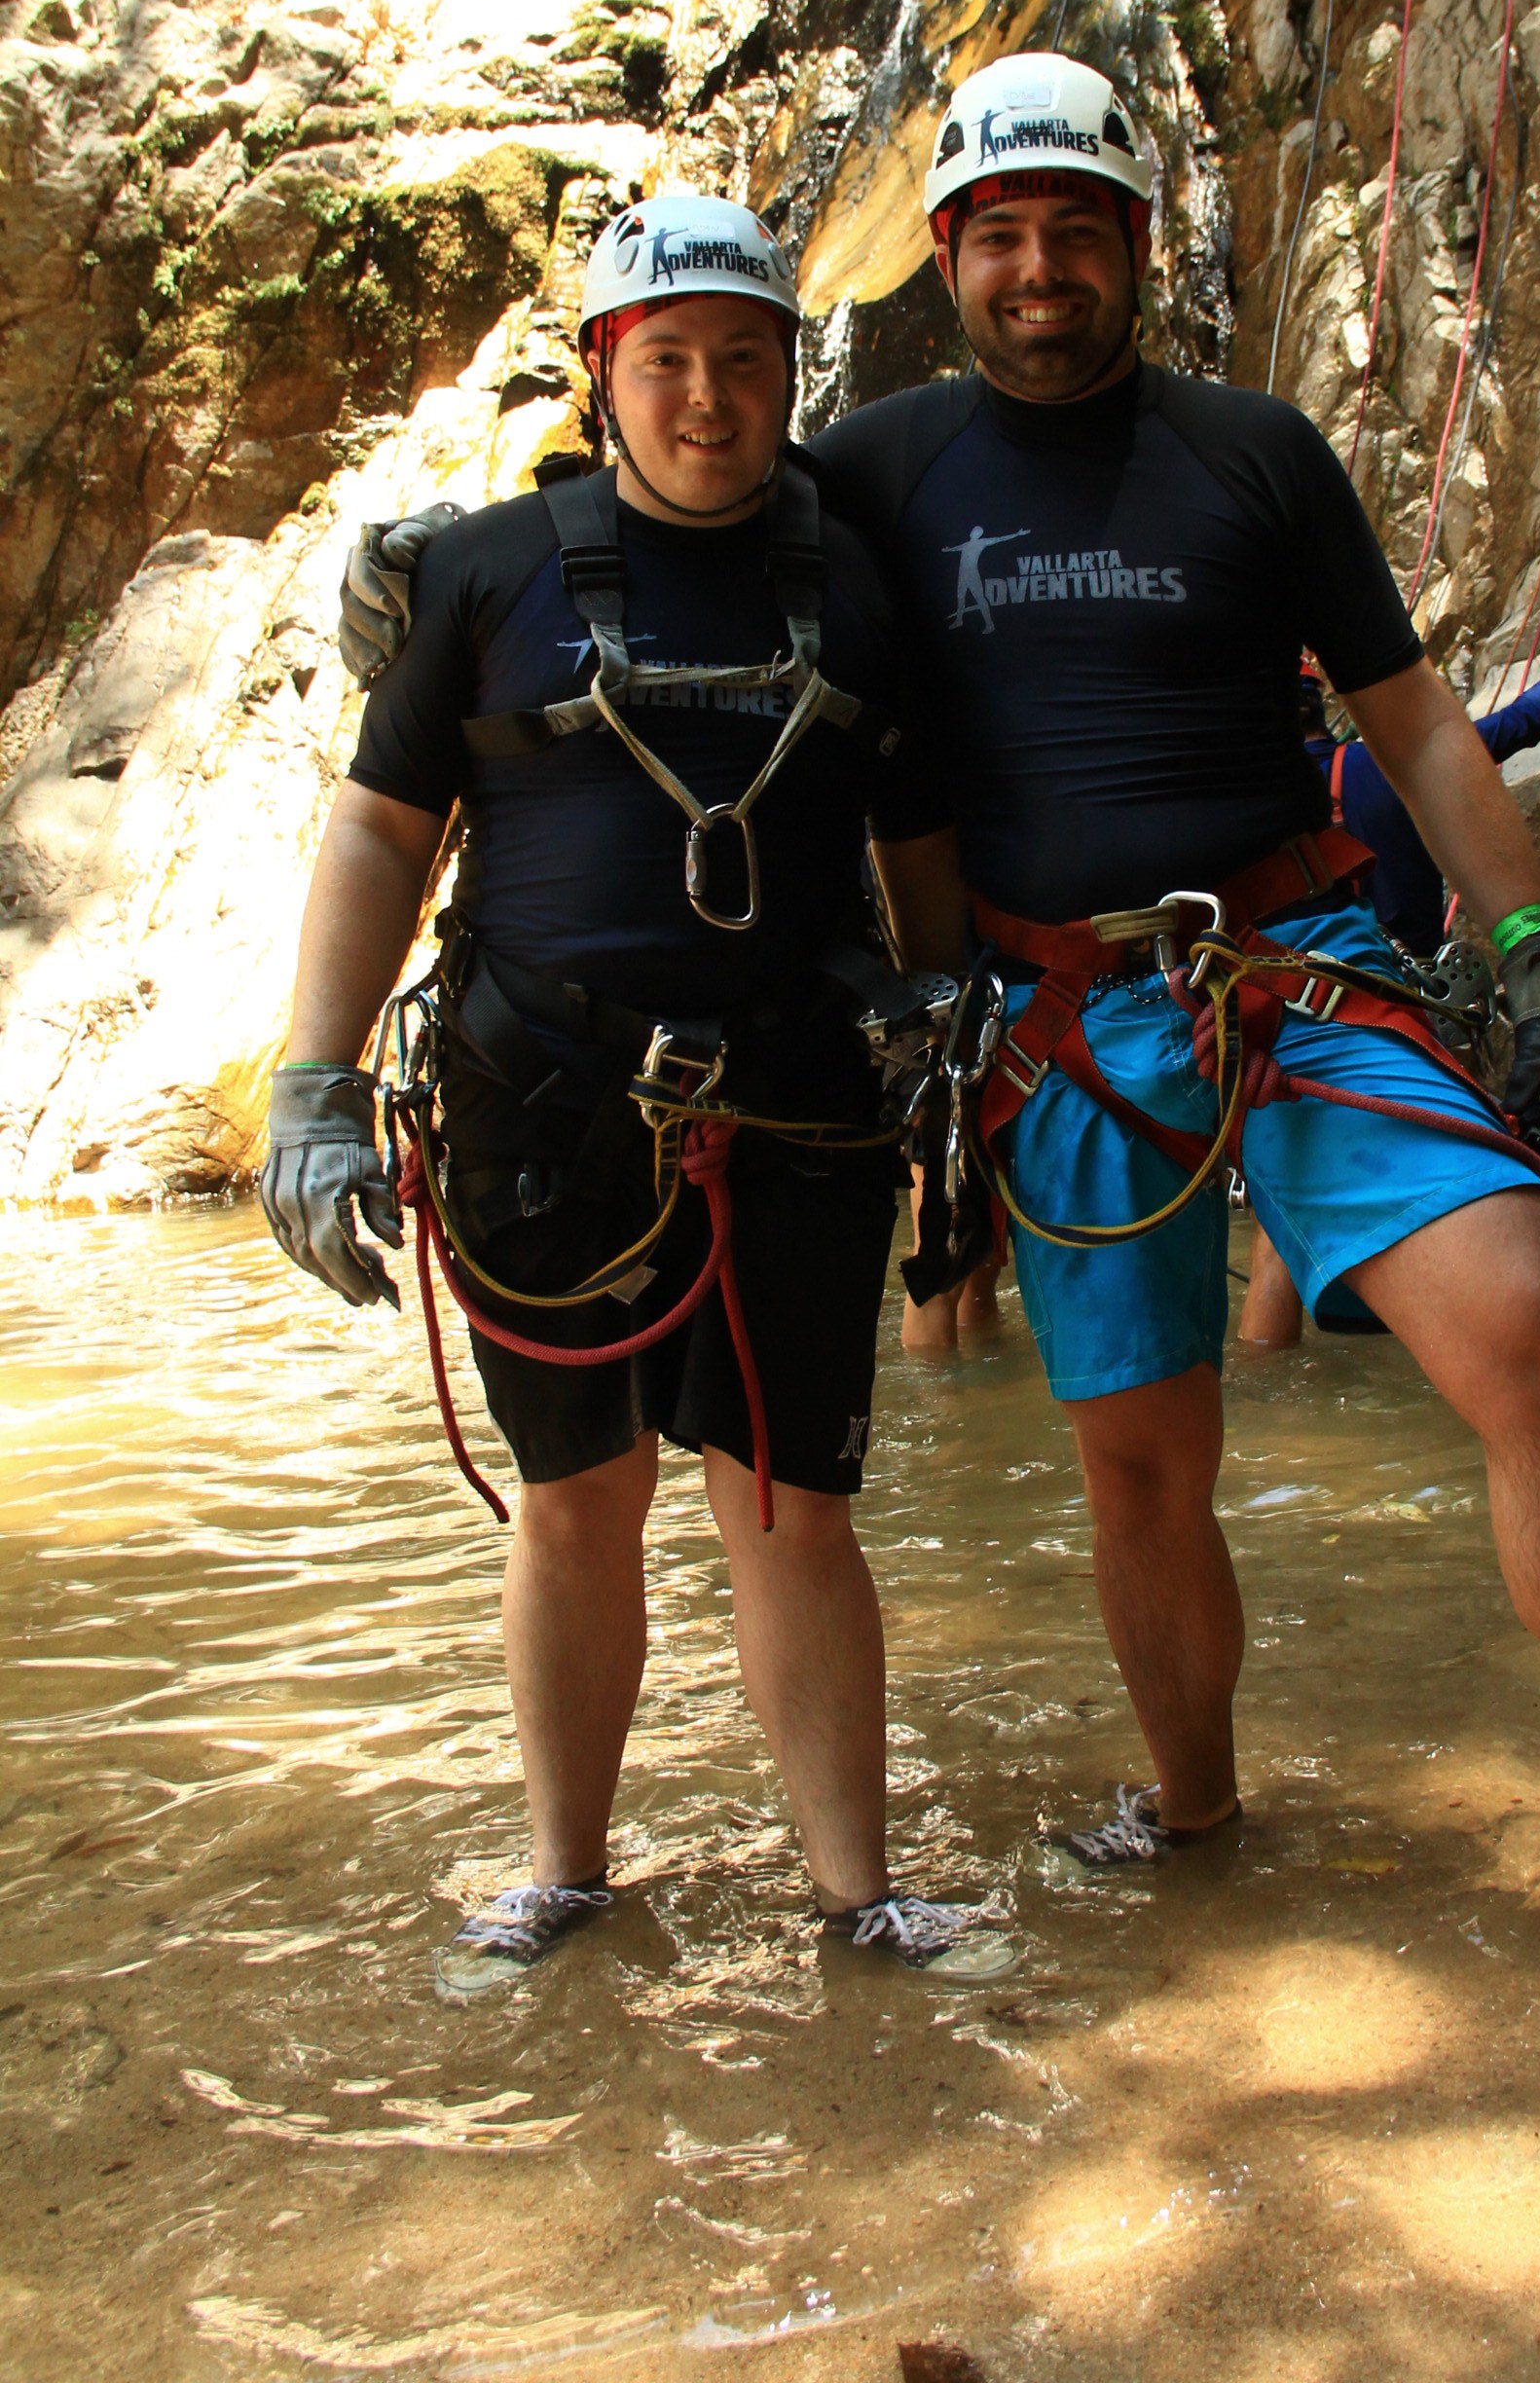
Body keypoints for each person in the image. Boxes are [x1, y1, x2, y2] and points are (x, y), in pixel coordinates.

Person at [349, 62, 1540, 2010]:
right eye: (1002, 234)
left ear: (1139, 244)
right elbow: (675, 506)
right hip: (1050, 1014)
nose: (1039, 268)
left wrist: (1534, 948)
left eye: (1076, 231)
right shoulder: (873, 472)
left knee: (1539, 1334)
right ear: (947, 255)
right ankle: (1194, 1808)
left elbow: (1414, 720)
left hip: (1296, 964)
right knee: (1140, 1463)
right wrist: (445, 560)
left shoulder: (1255, 452)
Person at [265, 192, 1007, 1999]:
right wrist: (314, 1082)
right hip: (540, 1109)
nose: (707, 397)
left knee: (792, 1505)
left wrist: (954, 1073)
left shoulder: (860, 588)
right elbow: (379, 831)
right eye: (665, 360)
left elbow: (920, 852)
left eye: (744, 359)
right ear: (603, 374)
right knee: (574, 1494)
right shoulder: (480, 576)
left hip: (802, 1109)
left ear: (789, 376)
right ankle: (565, 1875)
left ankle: (857, 1893)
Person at [1240, 621, 1540, 1349]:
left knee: (1279, 1212)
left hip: (1291, 1014)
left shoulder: (1247, 810)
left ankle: (1267, 1371)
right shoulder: (1385, 768)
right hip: (1415, 1017)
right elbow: (1527, 720)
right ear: (1322, 706)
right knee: (1481, 1193)